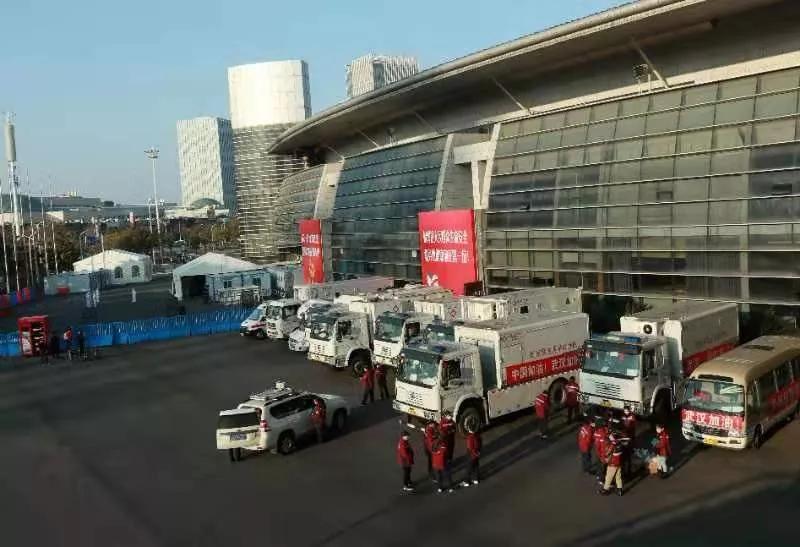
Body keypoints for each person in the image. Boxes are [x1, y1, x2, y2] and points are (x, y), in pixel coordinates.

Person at [600, 432, 624, 496]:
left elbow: (607, 453)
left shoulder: (612, 445)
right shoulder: (620, 444)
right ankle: (620, 490)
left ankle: (605, 490)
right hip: (618, 463)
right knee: (618, 477)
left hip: (612, 464)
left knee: (608, 477)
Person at [621, 406, 637, 477]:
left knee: (629, 455)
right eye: (625, 411)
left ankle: (629, 471)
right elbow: (621, 423)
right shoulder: (623, 416)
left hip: (630, 433)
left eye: (627, 411)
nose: (626, 412)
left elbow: (633, 425)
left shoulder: (632, 416)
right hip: (625, 432)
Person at [593, 418, 609, 485]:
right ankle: (601, 480)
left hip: (597, 452)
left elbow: (596, 443)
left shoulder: (596, 432)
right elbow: (603, 446)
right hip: (602, 453)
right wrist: (603, 456)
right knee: (603, 467)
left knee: (598, 465)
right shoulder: (602, 433)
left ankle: (598, 476)